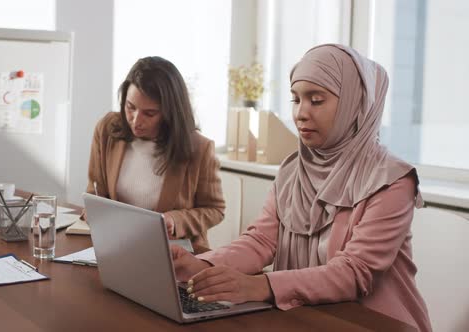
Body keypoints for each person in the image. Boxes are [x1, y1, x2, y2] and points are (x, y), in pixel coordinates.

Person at [172, 44, 431, 331]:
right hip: (304, 317)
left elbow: (355, 272)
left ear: (353, 105)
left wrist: (260, 286)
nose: (300, 114)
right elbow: (261, 241)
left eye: (316, 100)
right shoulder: (293, 169)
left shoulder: (393, 179)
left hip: (375, 323)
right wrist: (202, 267)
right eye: (296, 100)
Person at [85, 56, 225, 248]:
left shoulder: (200, 147)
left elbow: (215, 210)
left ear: (170, 112)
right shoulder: (108, 129)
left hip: (174, 251)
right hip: (117, 244)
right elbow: (95, 191)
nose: (136, 121)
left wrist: (175, 220)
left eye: (149, 113)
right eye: (130, 107)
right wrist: (94, 210)